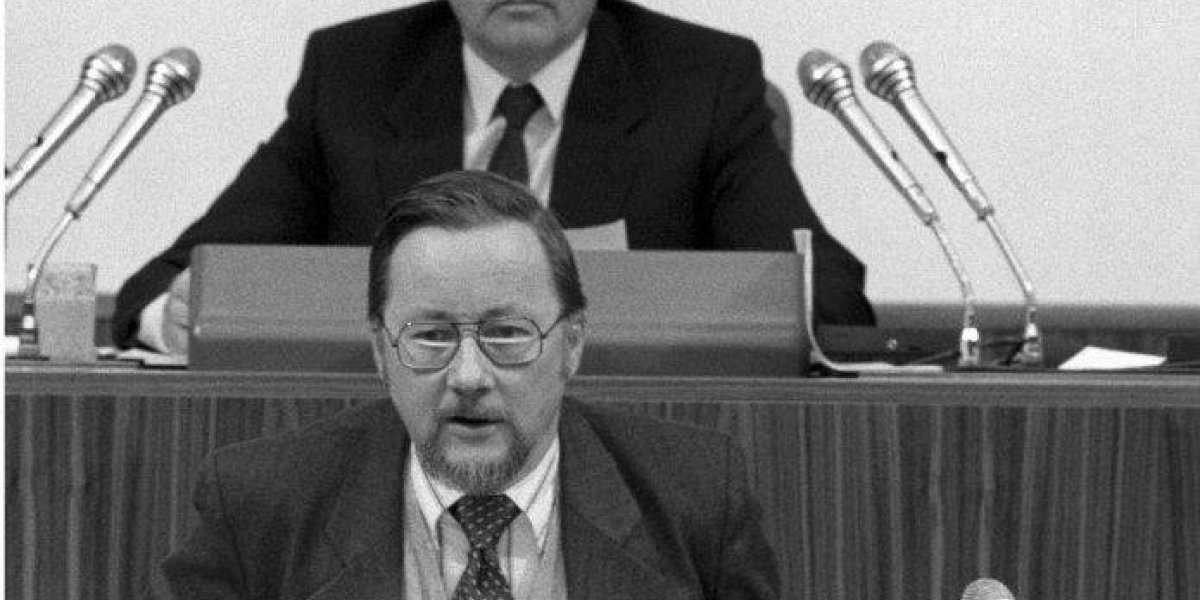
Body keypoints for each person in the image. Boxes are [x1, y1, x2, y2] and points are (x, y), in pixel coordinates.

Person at [114, 0, 876, 356]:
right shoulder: (353, 74)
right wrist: (175, 317)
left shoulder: (700, 80)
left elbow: (827, 300)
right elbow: (165, 284)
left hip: (627, 442)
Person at [159, 170, 781, 599]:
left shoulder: (694, 498)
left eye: (507, 334)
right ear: (380, 351)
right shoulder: (262, 504)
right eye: (430, 336)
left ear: (571, 344)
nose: (468, 377)